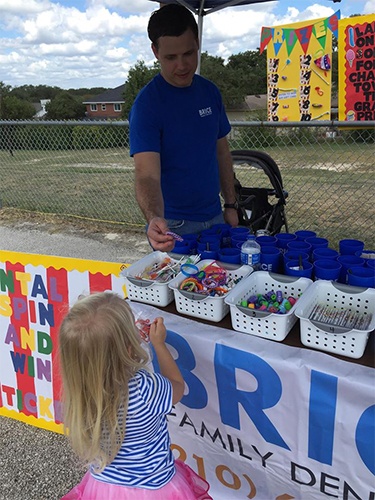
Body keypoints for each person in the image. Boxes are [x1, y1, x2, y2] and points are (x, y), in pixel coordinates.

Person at [59, 292, 212, 499]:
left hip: (105, 488)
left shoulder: (80, 393)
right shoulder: (144, 388)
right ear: (129, 348)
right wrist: (159, 344)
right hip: (156, 489)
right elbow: (178, 387)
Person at [129, 3, 239, 252]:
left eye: (188, 53)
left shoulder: (209, 92)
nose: (182, 65)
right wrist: (155, 218)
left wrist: (231, 204)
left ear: (198, 43)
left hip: (216, 218)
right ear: (155, 51)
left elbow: (222, 152)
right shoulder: (147, 105)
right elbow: (146, 174)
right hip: (174, 227)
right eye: (170, 57)